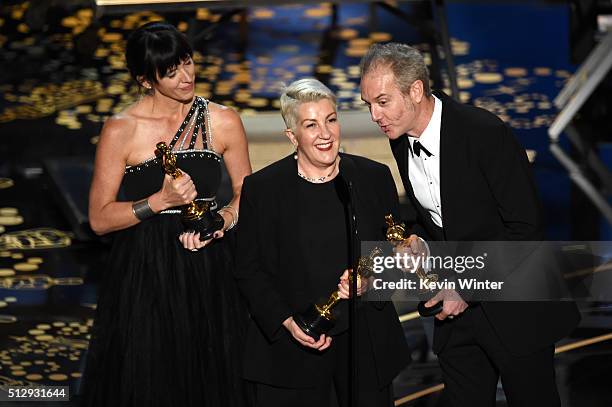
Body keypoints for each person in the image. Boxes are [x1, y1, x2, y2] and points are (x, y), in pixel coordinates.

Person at [360, 43, 580, 406]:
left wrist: (464, 288)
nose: (374, 115)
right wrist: (419, 242)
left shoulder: (484, 133)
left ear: (415, 90)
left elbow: (525, 230)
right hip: (454, 318)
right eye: (369, 104)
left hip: (515, 308)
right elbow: (435, 218)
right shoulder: (401, 140)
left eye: (382, 101)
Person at [83, 21, 252, 407]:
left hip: (211, 264)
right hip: (145, 272)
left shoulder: (223, 120)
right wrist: (157, 202)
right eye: (170, 72)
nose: (185, 77)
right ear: (145, 80)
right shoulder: (120, 130)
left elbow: (247, 193)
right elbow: (99, 218)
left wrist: (225, 219)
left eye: (187, 62)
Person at [234, 78, 410, 407]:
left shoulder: (373, 178)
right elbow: (248, 269)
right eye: (311, 125)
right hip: (291, 349)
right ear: (292, 135)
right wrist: (287, 322)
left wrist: (370, 281)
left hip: (364, 345)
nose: (325, 134)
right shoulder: (263, 189)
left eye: (330, 120)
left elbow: (392, 252)